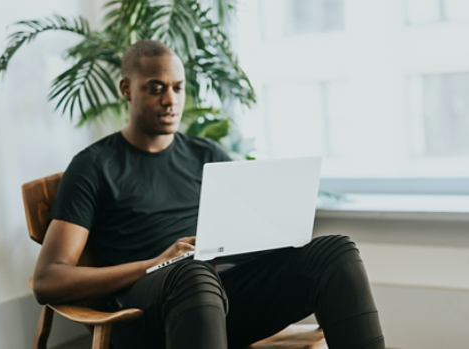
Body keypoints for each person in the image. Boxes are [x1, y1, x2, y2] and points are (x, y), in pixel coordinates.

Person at [32, 39, 385, 349]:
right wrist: (154, 263)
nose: (170, 99)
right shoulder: (94, 166)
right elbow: (49, 280)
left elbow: (246, 232)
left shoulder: (206, 154)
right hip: (142, 314)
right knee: (192, 273)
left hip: (222, 303)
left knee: (336, 250)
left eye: (178, 87)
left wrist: (275, 235)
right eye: (156, 88)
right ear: (126, 89)